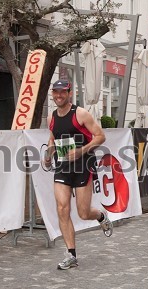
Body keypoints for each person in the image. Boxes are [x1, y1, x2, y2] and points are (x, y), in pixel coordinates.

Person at [44, 79, 109, 270]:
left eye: (62, 92)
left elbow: (100, 136)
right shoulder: (51, 117)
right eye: (55, 92)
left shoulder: (80, 114)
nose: (58, 96)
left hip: (83, 165)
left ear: (69, 93)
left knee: (83, 212)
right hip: (63, 166)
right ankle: (71, 254)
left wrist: (82, 151)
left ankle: (100, 216)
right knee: (62, 208)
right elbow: (52, 139)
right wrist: (48, 155)